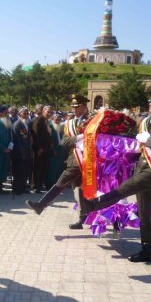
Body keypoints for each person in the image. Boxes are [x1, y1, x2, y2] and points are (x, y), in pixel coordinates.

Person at [79, 86, 151, 262]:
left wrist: (148, 140)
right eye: (150, 101)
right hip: (142, 166)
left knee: (126, 187)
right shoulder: (144, 121)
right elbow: (132, 143)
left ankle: (93, 205)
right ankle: (147, 250)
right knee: (143, 212)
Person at [25, 94, 90, 230]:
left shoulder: (90, 121)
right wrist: (78, 137)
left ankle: (41, 205)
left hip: (86, 160)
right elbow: (64, 142)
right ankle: (83, 218)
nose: (73, 108)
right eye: (72, 106)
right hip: (74, 158)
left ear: (84, 107)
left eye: (76, 106)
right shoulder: (70, 123)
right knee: (79, 191)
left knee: (62, 182)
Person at [30, 105, 54, 193]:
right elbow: (35, 134)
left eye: (51, 112)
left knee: (43, 168)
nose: (49, 114)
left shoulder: (46, 121)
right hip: (39, 149)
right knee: (37, 168)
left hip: (46, 149)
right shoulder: (38, 120)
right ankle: (34, 186)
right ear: (43, 111)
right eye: (48, 112)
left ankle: (39, 185)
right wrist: (38, 147)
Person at [11, 106, 32, 195]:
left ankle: (23, 187)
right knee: (19, 171)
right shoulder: (17, 124)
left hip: (26, 151)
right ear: (20, 114)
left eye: (27, 113)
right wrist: (22, 152)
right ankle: (17, 189)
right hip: (19, 152)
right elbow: (17, 140)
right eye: (24, 113)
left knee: (25, 170)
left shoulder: (26, 123)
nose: (26, 115)